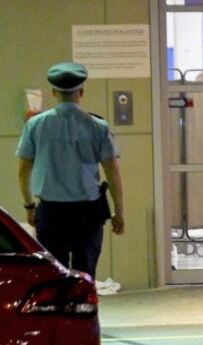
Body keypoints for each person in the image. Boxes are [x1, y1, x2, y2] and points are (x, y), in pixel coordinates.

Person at [16, 61, 126, 278]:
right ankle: (83, 311)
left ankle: (59, 312)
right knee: (84, 273)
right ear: (82, 92)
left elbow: (23, 170)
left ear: (53, 91)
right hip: (87, 213)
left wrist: (29, 206)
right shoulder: (98, 126)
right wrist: (118, 212)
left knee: (54, 275)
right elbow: (112, 172)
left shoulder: (35, 125)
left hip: (50, 212)